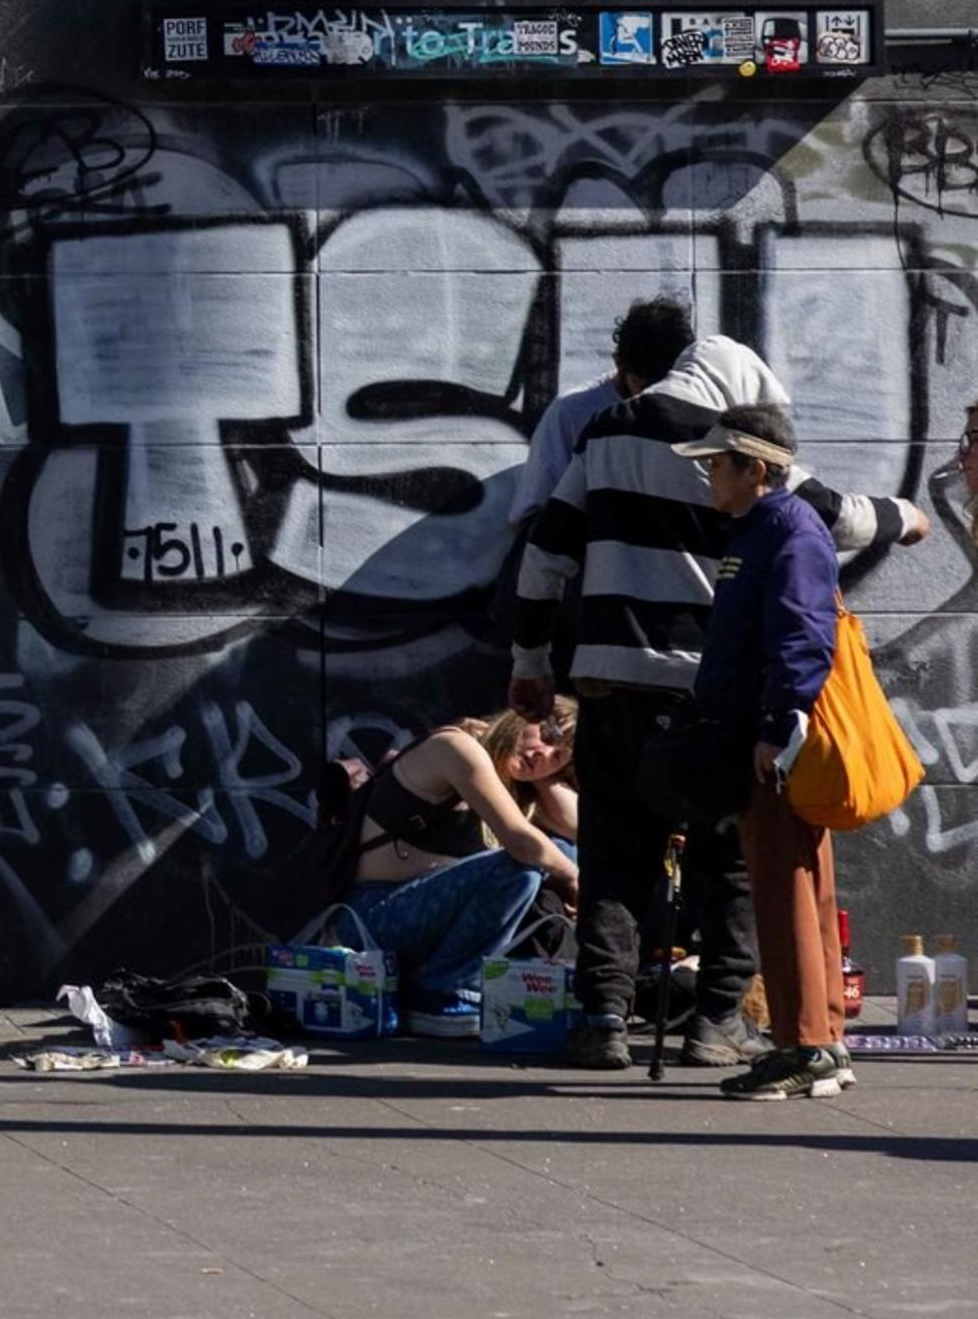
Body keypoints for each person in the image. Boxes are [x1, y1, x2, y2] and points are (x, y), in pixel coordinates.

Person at [509, 297, 925, 1071]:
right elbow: (831, 514)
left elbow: (545, 553)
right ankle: (717, 1019)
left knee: (613, 851)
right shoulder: (737, 443)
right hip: (710, 692)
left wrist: (530, 663)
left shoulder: (604, 431)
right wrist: (903, 515)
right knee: (725, 856)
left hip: (615, 683)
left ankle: (602, 1015)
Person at [680, 404, 858, 1102]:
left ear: (756, 467)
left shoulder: (786, 529)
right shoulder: (759, 529)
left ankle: (802, 1046)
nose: (706, 476)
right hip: (763, 732)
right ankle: (822, 1040)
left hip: (773, 739)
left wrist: (779, 727)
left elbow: (803, 632)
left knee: (785, 889)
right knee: (804, 886)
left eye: (716, 463)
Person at [334, 704, 578, 1031]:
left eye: (557, 756)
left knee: (564, 851)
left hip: (423, 926)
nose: (542, 753)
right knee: (519, 866)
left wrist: (545, 777)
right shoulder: (455, 747)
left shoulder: (512, 783)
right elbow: (521, 842)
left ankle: (441, 985)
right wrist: (575, 880)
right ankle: (440, 995)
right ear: (521, 715)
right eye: (546, 735)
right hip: (374, 918)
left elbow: (579, 829)